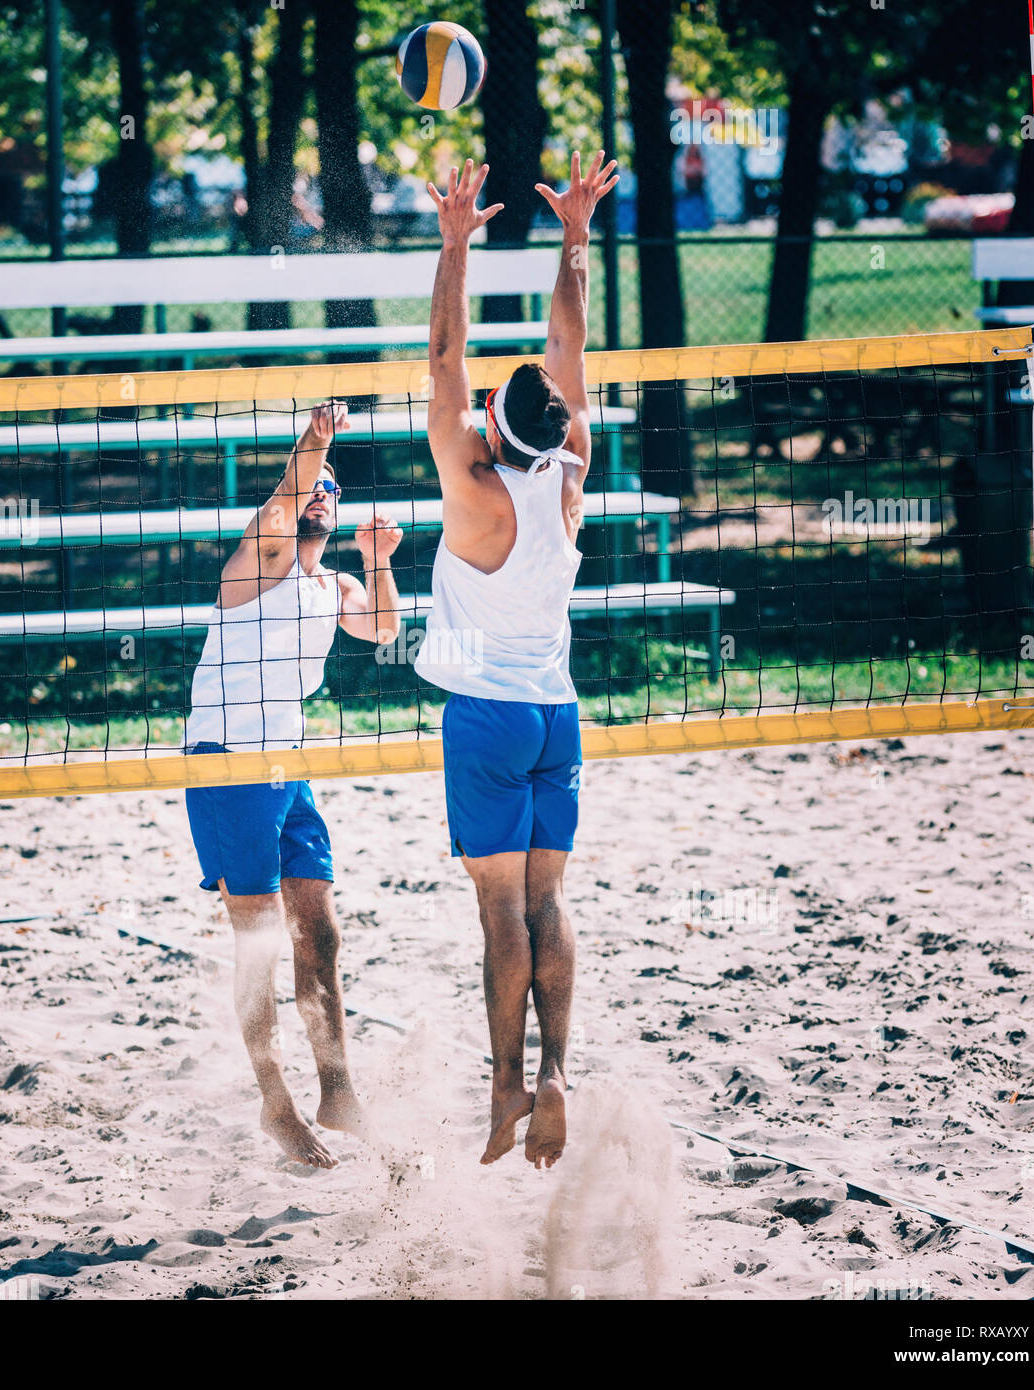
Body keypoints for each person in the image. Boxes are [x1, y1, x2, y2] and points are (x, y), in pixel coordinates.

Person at [417, 152, 619, 1169]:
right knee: (549, 906)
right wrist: (574, 237)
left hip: (488, 719)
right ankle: (556, 1074)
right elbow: (567, 348)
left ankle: (504, 1086)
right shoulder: (570, 476)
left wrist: (455, 240)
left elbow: (445, 352)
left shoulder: (473, 487)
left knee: (501, 914)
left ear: (490, 429)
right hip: (557, 714)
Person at [185, 400, 404, 1168]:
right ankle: (276, 1103)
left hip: (287, 765)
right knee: (258, 944)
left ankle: (337, 1092)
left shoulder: (330, 583)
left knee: (321, 928)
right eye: (314, 486)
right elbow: (286, 497)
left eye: (331, 490)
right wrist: (313, 444)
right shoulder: (260, 561)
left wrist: (379, 557)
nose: (319, 494)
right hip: (228, 763)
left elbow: (383, 628)